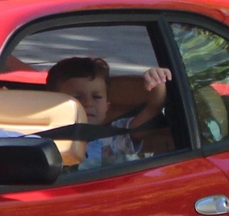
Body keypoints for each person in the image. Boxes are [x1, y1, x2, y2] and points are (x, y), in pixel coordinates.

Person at [44, 55, 173, 165]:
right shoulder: (42, 135)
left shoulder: (114, 138)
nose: (88, 103)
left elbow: (153, 110)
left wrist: (158, 82)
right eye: (77, 97)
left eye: (97, 97)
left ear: (107, 106)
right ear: (54, 103)